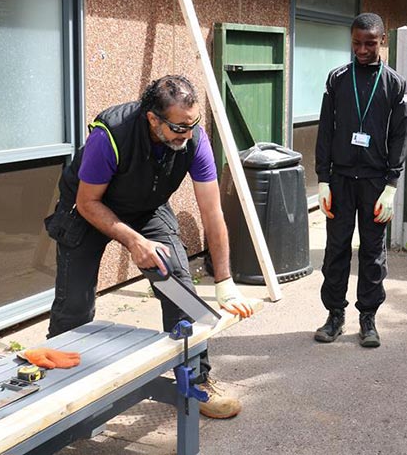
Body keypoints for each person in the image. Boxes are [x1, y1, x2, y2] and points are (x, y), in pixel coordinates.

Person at [45, 75, 261, 419]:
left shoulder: (194, 139)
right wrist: (134, 241)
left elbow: (212, 212)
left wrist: (224, 283)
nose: (187, 134)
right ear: (152, 119)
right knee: (74, 305)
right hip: (88, 209)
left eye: (192, 125)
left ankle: (196, 382)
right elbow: (88, 203)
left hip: (146, 206)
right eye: (178, 128)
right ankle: (60, 392)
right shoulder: (110, 135)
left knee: (179, 287)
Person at [314, 12, 407, 348]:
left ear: (383, 40)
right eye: (356, 43)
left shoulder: (395, 83)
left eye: (370, 43)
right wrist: (322, 179)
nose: (362, 49)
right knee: (336, 251)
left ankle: (368, 319)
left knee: (372, 253)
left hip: (374, 183)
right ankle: (334, 316)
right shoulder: (337, 79)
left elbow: (400, 136)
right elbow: (325, 130)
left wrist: (391, 186)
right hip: (340, 180)